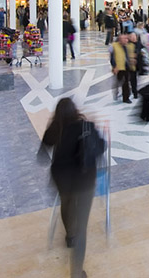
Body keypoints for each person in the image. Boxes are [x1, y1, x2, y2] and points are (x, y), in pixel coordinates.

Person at [40, 98, 104, 278]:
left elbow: (42, 153)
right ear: (76, 110)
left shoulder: (56, 129)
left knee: (66, 204)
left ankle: (70, 236)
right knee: (82, 226)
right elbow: (101, 148)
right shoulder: (85, 126)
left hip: (62, 179)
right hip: (84, 180)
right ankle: (76, 272)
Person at [110, 33, 137, 103]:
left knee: (125, 83)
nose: (126, 40)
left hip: (126, 67)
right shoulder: (114, 46)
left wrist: (132, 61)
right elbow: (112, 58)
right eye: (124, 39)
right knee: (117, 82)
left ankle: (126, 98)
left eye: (127, 39)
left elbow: (129, 55)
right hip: (118, 68)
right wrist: (114, 66)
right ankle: (116, 93)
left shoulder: (127, 46)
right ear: (120, 40)